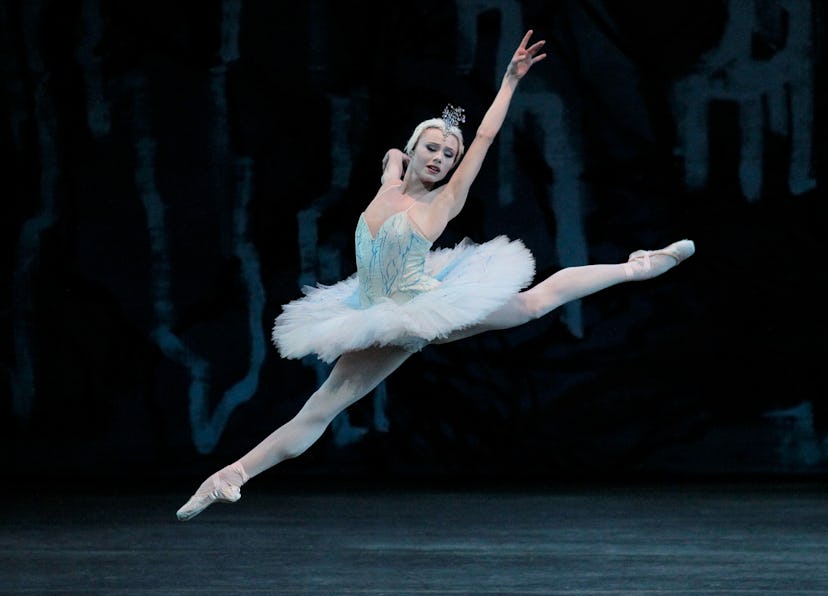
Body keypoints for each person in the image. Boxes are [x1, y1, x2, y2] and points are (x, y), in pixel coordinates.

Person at [176, 30, 694, 521]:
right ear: (416, 148)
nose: (441, 159)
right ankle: (228, 475)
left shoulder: (446, 200)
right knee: (321, 407)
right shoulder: (391, 180)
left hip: (425, 307)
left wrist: (510, 80)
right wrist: (395, 155)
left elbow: (486, 135)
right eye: (433, 149)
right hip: (370, 311)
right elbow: (392, 156)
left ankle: (636, 266)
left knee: (534, 303)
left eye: (449, 155)